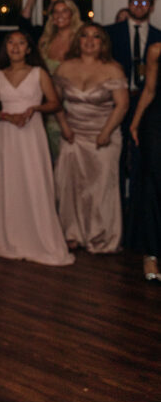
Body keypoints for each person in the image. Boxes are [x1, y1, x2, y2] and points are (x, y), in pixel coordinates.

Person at [0, 32, 73, 266]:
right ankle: (9, 237)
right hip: (7, 133)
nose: (15, 46)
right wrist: (8, 116)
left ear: (28, 49)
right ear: (6, 48)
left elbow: (54, 102)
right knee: (10, 182)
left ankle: (41, 239)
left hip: (32, 133)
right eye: (10, 42)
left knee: (36, 181)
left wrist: (35, 108)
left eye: (21, 42)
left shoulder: (39, 73)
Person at [53, 23, 128, 253]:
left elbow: (122, 105)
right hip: (73, 133)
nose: (89, 40)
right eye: (84, 36)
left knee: (101, 186)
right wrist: (64, 126)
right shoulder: (65, 68)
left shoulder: (113, 69)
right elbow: (55, 102)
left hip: (104, 133)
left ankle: (101, 236)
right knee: (69, 185)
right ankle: (71, 233)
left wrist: (105, 132)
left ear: (103, 43)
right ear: (78, 41)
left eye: (96, 37)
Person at [106, 0, 161, 206]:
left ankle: (137, 215)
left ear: (152, 6)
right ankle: (114, 212)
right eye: (135, 2)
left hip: (147, 105)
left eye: (144, 2)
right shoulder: (111, 33)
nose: (139, 6)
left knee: (141, 160)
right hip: (116, 101)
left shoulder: (158, 38)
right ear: (129, 4)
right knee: (114, 160)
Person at [31, 0, 82, 160]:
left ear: (72, 14)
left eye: (64, 11)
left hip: (73, 103)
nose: (59, 15)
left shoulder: (81, 40)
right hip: (47, 102)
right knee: (49, 154)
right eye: (55, 11)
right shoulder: (45, 41)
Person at [129, 42, 161, 281]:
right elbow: (149, 90)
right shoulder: (156, 50)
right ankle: (151, 255)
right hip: (157, 124)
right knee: (154, 186)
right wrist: (136, 122)